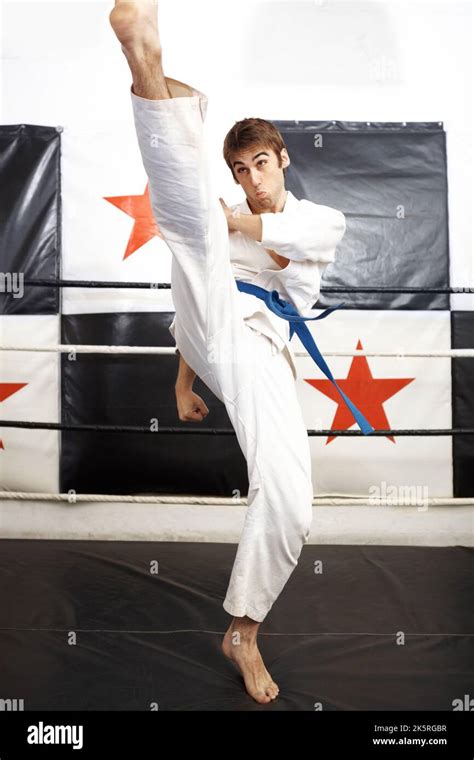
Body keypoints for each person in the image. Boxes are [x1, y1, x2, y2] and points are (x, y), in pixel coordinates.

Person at [109, 0, 347, 704]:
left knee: (293, 505)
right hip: (216, 332)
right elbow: (202, 298)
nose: (250, 177)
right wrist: (182, 380)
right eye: (239, 168)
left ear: (283, 161)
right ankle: (143, 56)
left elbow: (296, 236)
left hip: (263, 354)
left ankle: (242, 630)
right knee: (191, 230)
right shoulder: (226, 227)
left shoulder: (316, 219)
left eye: (261, 164)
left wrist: (240, 221)